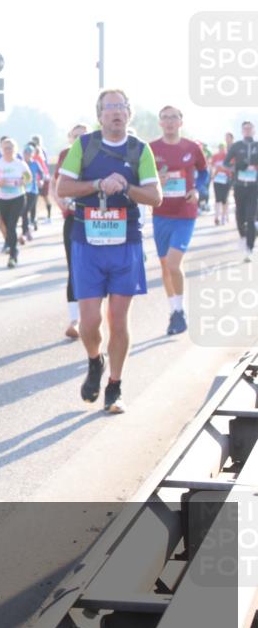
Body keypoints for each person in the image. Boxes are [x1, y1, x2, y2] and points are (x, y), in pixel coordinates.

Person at [57, 89, 162, 414]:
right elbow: (63, 188)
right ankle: (95, 360)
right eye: (109, 107)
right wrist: (98, 184)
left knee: (118, 320)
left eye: (121, 107)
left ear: (129, 113)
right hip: (87, 243)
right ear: (99, 114)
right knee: (89, 323)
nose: (116, 112)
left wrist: (127, 186)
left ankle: (115, 386)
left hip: (126, 243)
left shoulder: (139, 149)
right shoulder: (84, 145)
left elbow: (155, 197)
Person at [149, 106, 207, 335]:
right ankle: (174, 310)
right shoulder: (151, 149)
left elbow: (204, 172)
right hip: (161, 213)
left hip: (185, 213)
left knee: (174, 264)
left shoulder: (192, 147)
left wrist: (198, 189)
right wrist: (156, 180)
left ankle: (180, 311)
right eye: (165, 117)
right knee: (165, 266)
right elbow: (141, 176)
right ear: (160, 123)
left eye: (174, 117)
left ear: (181, 122)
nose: (169, 121)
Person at [53, 124, 89, 339]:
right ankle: (75, 320)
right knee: (74, 266)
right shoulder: (65, 155)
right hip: (73, 218)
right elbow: (57, 185)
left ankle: (93, 316)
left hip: (97, 219)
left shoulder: (100, 152)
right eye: (76, 136)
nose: (79, 139)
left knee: (95, 268)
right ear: (70, 139)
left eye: (83, 136)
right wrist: (62, 202)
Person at [0, 138, 31, 267]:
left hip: (18, 197)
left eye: (10, 148)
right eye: (5, 148)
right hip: (2, 198)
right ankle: (13, 246)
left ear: (15, 149)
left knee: (11, 226)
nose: (8, 150)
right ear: (1, 150)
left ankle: (13, 255)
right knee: (5, 226)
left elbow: (28, 177)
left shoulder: (20, 164)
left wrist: (22, 181)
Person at [224, 121, 258, 262]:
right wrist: (237, 167)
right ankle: (243, 236)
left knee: (251, 217)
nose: (248, 131)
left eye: (250, 128)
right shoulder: (236, 146)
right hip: (239, 186)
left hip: (254, 187)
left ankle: (250, 247)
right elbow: (226, 163)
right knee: (240, 216)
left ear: (254, 131)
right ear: (242, 131)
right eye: (245, 129)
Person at [211, 141, 232, 226]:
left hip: (226, 179)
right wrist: (214, 173)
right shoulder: (215, 156)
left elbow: (231, 167)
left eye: (222, 147)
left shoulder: (229, 156)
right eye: (220, 147)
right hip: (217, 180)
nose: (221, 149)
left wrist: (223, 169)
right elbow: (212, 166)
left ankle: (223, 217)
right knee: (217, 199)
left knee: (225, 199)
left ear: (225, 148)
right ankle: (217, 217)